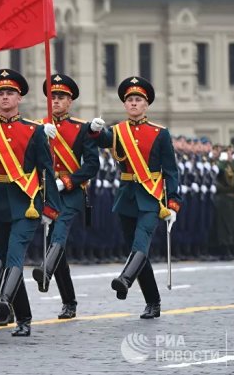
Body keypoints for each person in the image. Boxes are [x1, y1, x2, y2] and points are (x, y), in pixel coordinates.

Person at [0, 69, 62, 337]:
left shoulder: (34, 131)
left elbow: (47, 170)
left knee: (14, 255)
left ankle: (4, 300)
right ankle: (21, 316)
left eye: (9, 93)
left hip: (25, 202)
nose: (4, 97)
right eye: (0, 93)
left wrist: (50, 207)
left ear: (18, 98)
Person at [95, 76, 181, 319]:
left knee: (140, 243)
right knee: (133, 249)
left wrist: (172, 202)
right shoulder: (117, 131)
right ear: (124, 105)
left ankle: (125, 279)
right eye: (129, 100)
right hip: (126, 197)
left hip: (151, 197)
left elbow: (171, 171)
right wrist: (93, 129)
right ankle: (153, 301)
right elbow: (101, 140)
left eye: (138, 100)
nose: (133, 104)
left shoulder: (160, 133)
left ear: (146, 105)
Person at [31, 74, 103, 320]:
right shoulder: (37, 127)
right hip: (44, 190)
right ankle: (69, 300)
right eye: (53, 97)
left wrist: (67, 181)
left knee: (59, 230)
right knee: (54, 241)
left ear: (70, 101)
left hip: (71, 191)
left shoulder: (81, 129)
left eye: (61, 97)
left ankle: (46, 270)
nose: (57, 101)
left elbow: (92, 165)